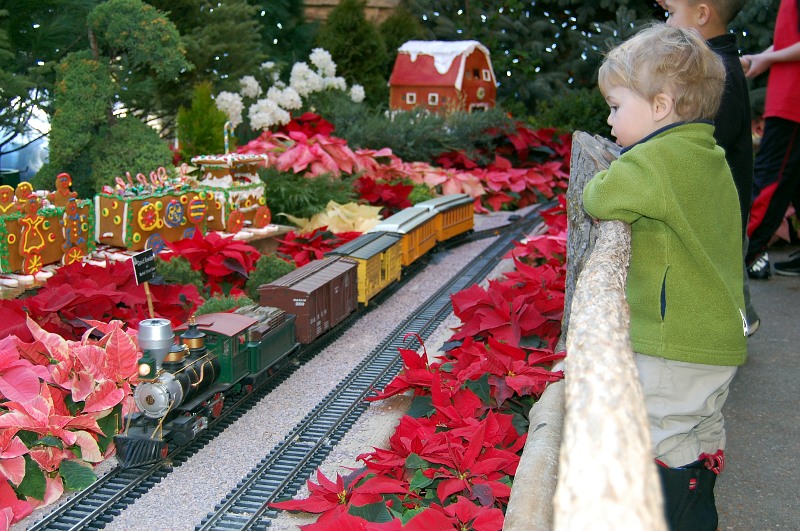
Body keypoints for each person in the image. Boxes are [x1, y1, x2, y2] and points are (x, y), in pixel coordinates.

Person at [583, 24, 747, 531]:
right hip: (715, 338)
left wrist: (618, 166)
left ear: (659, 107)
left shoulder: (656, 161)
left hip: (675, 341)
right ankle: (699, 507)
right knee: (699, 428)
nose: (609, 120)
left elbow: (598, 197)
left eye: (615, 106)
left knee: (658, 434)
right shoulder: (707, 153)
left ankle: (670, 517)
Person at [658, 0, 761, 333]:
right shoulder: (715, 65)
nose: (666, 24)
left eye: (671, 14)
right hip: (720, 204)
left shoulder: (719, 74)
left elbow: (707, 139)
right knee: (728, 269)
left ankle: (736, 323)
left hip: (721, 207)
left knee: (724, 271)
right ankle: (742, 316)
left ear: (702, 15)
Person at [741, 0, 800, 277]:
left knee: (769, 180)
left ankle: (746, 252)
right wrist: (761, 58)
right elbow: (789, 40)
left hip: (793, 101)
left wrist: (767, 59)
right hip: (787, 98)